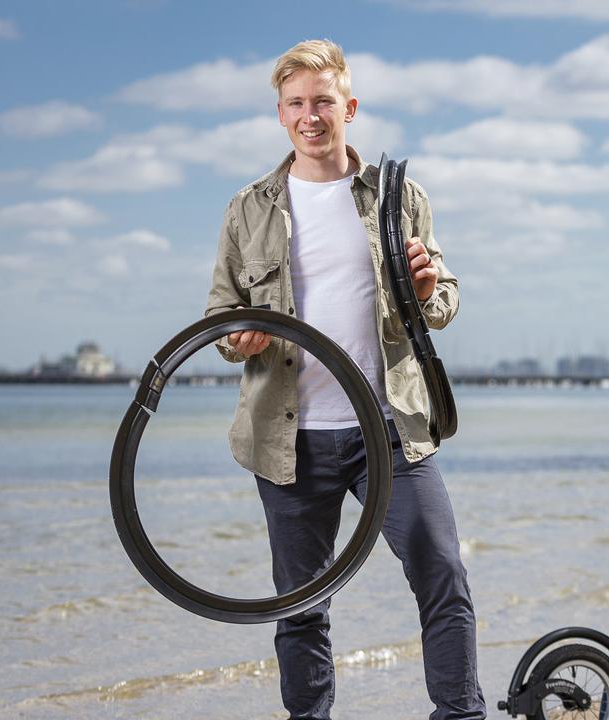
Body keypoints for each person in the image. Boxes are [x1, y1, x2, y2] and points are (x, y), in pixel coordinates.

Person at [204, 39, 484, 720]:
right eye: (296, 104)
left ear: (348, 108)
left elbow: (442, 298)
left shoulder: (397, 196)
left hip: (389, 429)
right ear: (280, 114)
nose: (311, 115)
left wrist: (423, 289)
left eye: (323, 101)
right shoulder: (249, 207)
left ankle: (461, 714)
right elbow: (219, 319)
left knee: (443, 578)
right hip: (287, 440)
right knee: (301, 607)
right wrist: (238, 339)